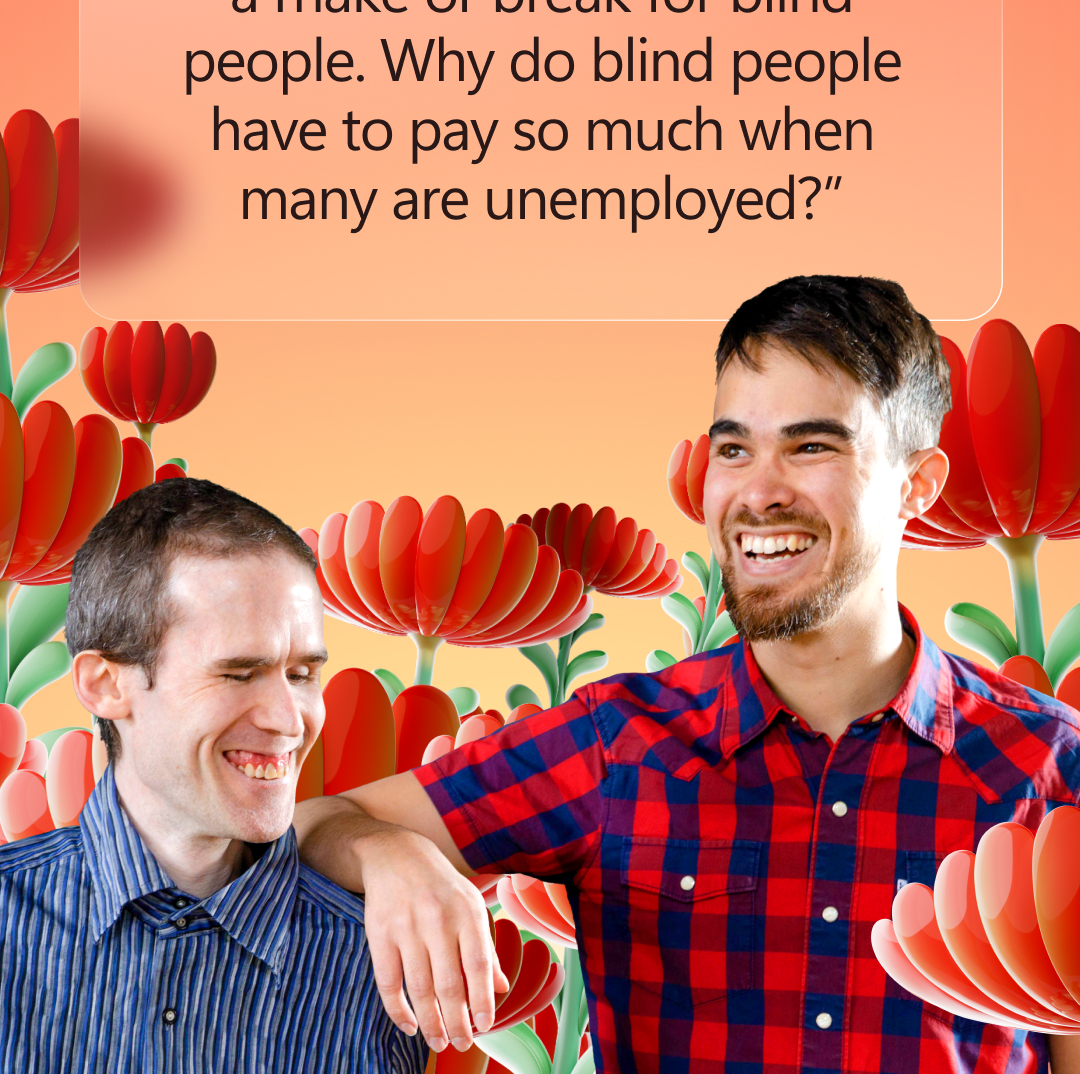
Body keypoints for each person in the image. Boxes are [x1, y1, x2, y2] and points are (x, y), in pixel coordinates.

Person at [294, 276, 1080, 1074]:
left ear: (917, 486)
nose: (757, 492)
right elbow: (312, 826)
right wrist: (393, 857)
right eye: (734, 448)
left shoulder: (1051, 766)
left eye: (812, 446)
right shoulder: (617, 743)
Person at [0, 478, 427, 1074]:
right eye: (238, 673)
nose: (288, 721)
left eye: (303, 674)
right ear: (106, 685)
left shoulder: (383, 963)